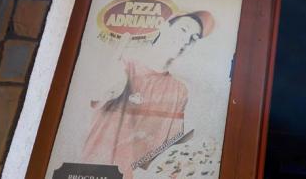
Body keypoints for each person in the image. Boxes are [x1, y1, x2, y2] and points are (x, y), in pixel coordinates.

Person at [81, 10, 214, 179]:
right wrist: (108, 83)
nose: (186, 40)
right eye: (183, 30)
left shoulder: (180, 90)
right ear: (164, 27)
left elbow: (169, 146)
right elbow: (98, 93)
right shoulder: (123, 65)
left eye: (193, 38)